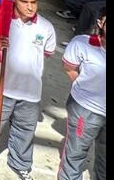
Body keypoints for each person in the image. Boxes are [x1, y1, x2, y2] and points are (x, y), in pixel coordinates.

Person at [0, 0, 57, 180]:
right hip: (3, 88)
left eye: (34, 2)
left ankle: (20, 164)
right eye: (24, 2)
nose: (30, 7)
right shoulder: (2, 24)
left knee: (25, 131)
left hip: (31, 92)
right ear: (14, 0)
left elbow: (47, 53)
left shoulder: (46, 27)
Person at [57, 11, 106, 180]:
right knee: (75, 155)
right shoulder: (82, 43)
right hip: (85, 110)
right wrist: (86, 88)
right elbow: (69, 67)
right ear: (100, 23)